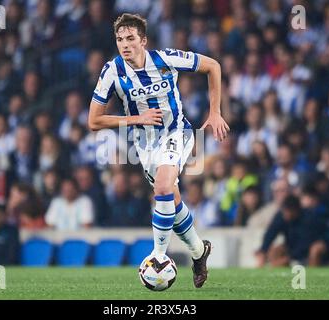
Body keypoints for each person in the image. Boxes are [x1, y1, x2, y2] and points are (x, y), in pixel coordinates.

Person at [88, 13, 230, 288]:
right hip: (144, 146)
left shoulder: (166, 58)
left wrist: (215, 112)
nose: (124, 45)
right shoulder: (112, 71)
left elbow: (213, 66)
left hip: (178, 132)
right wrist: (135, 119)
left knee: (163, 187)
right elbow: (94, 121)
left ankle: (158, 257)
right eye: (119, 39)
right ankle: (200, 252)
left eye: (130, 39)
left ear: (144, 41)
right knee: (172, 204)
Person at [255, 195, 329, 267]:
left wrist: (289, 257)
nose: (285, 214)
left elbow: (306, 243)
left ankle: (313, 273)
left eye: (288, 211)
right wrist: (263, 250)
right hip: (294, 247)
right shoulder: (281, 216)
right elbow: (271, 233)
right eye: (284, 210)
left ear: (296, 210)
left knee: (315, 249)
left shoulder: (308, 219)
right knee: (275, 250)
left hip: (321, 247)